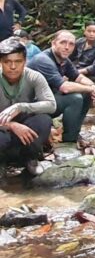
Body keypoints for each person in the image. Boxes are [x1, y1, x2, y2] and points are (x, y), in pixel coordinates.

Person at [28, 30, 95, 145]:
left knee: (86, 94)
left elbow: (78, 77)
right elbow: (65, 87)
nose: (67, 47)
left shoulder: (64, 60)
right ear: (53, 43)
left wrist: (93, 86)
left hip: (48, 100)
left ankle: (74, 133)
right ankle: (69, 142)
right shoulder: (43, 60)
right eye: (63, 42)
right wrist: (91, 88)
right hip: (32, 106)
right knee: (75, 98)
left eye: (71, 44)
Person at [0, 38, 56, 176]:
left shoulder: (34, 77)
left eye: (18, 62)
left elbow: (51, 105)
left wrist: (21, 107)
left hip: (25, 121)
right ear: (1, 62)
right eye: (7, 62)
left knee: (43, 120)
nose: (13, 67)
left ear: (25, 61)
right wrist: (11, 125)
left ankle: (30, 158)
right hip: (1, 128)